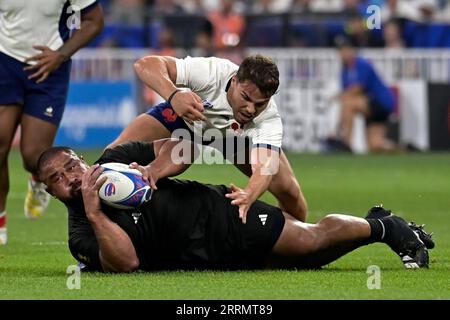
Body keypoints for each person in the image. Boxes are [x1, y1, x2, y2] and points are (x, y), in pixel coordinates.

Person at [36, 140, 434, 273]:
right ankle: (376, 222)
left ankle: (388, 228)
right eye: (58, 179)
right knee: (304, 261)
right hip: (202, 257)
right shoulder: (81, 233)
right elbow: (126, 264)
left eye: (72, 166)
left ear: (83, 160)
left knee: (311, 241)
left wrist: (154, 170)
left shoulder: (118, 157)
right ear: (51, 194)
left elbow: (184, 146)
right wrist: (93, 210)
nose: (70, 177)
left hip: (220, 214)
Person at [108, 54, 308, 227]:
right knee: (111, 155)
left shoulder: (268, 118)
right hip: (187, 117)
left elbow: (265, 168)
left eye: (260, 104)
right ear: (235, 80)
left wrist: (249, 194)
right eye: (245, 98)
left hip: (234, 140)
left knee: (290, 193)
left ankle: (293, 243)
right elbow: (144, 65)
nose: (250, 110)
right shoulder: (213, 73)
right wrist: (174, 95)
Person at [0, 0, 104, 245]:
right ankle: (1, 220)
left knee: (33, 156)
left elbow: (94, 21)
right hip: (5, 62)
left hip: (50, 67)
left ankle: (37, 180)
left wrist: (61, 55)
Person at [329, 38, 398, 153]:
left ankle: (346, 143)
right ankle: (404, 150)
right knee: (375, 146)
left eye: (344, 50)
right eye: (340, 51)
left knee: (349, 104)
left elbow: (358, 88)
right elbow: (348, 91)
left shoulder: (362, 64)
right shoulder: (344, 71)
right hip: (371, 107)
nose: (342, 54)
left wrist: (336, 98)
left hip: (380, 102)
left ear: (351, 50)